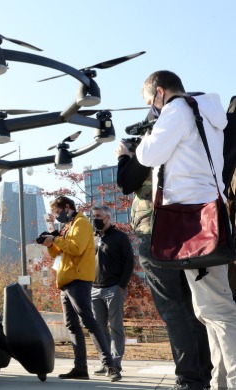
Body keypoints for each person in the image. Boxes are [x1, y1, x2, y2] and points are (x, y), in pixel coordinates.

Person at [135, 70, 236, 389]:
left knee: (217, 309)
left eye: (151, 102)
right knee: (210, 308)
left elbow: (149, 155)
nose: (153, 108)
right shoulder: (208, 114)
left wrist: (139, 142)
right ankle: (221, 380)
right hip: (210, 216)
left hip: (192, 222)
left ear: (160, 92)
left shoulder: (177, 109)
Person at [116, 120, 212, 390]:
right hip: (189, 235)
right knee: (195, 309)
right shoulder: (191, 148)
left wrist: (125, 157)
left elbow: (127, 182)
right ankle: (203, 374)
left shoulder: (152, 150)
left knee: (174, 310)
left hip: (156, 234)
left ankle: (190, 379)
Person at [37, 196, 121, 382]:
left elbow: (76, 248)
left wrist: (56, 239)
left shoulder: (81, 223)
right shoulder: (68, 226)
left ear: (68, 207)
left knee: (89, 322)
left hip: (78, 279)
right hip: (66, 280)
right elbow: (58, 253)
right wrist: (50, 242)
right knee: (72, 325)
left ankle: (110, 365)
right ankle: (80, 368)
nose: (57, 216)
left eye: (58, 212)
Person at [89, 205, 134, 374]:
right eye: (93, 216)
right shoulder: (92, 238)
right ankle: (106, 362)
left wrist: (121, 286)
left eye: (99, 215)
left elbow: (129, 262)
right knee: (99, 329)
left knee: (115, 326)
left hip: (114, 288)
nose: (95, 219)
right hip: (94, 289)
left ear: (108, 217)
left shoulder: (120, 237)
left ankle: (116, 363)